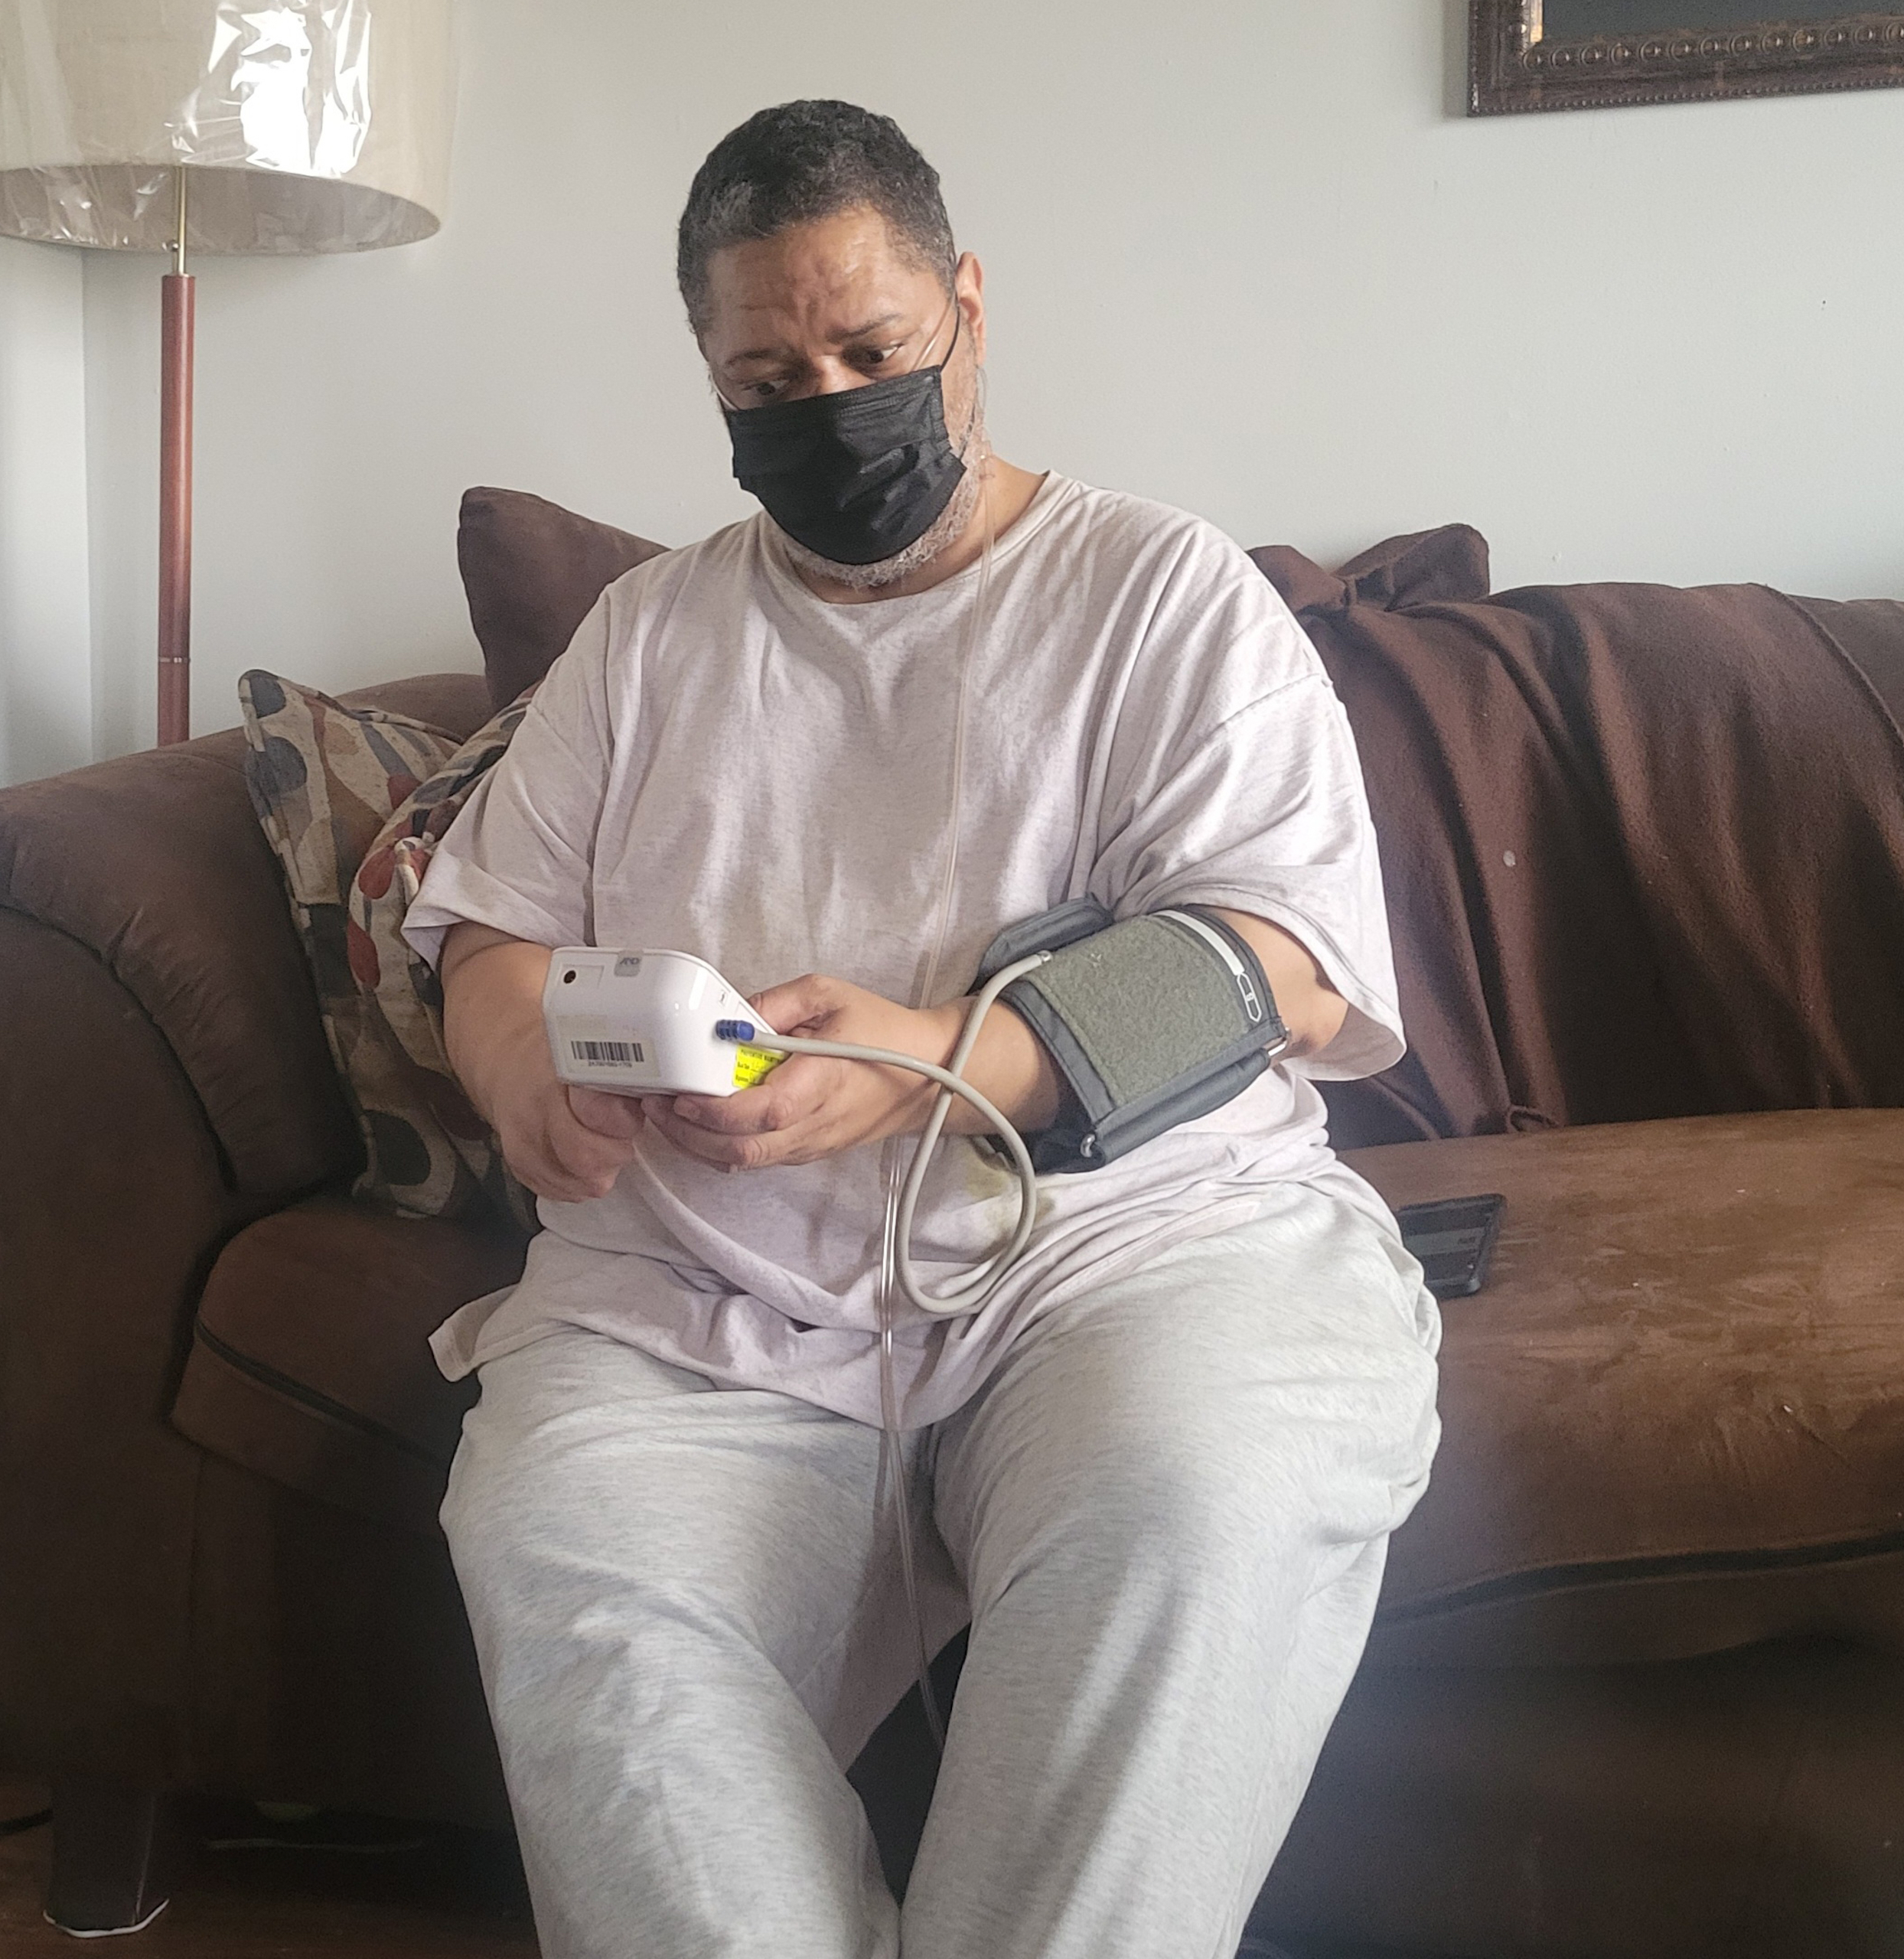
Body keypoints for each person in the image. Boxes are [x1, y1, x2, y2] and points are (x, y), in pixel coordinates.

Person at [397, 100, 1443, 1959]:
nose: (831, 404)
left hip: (1126, 1254)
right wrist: (511, 1069)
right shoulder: (645, 639)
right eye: (768, 373)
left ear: (967, 305)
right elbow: (483, 931)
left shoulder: (1159, 591)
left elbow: (1278, 960)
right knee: (564, 1544)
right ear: (709, 378)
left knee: (1205, 1494)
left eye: (873, 352)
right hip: (705, 1297)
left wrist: (948, 1055)